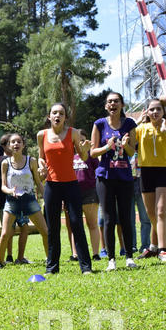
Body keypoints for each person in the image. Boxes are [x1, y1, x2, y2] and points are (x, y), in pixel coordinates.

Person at [37, 102, 92, 275]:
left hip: (71, 185)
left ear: (65, 117)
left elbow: (83, 157)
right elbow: (41, 157)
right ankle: (52, 268)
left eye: (61, 113)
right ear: (49, 116)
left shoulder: (73, 133)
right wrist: (41, 167)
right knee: (52, 227)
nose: (57, 116)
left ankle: (86, 267)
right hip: (52, 186)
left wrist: (85, 150)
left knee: (76, 224)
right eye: (54, 113)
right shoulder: (42, 135)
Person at [90, 92, 138, 272]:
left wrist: (125, 145)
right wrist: (107, 146)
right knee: (109, 218)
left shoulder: (129, 124)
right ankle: (111, 259)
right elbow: (93, 153)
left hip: (124, 177)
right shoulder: (99, 124)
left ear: (122, 105)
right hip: (105, 178)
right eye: (109, 102)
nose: (113, 104)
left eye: (116, 101)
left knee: (126, 217)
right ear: (105, 106)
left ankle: (129, 257)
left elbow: (132, 152)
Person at [0, 133, 48, 267]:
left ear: (23, 145)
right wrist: (9, 191)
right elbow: (3, 186)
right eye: (13, 142)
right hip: (12, 201)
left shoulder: (32, 161)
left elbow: (38, 182)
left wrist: (47, 198)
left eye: (19, 142)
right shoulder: (5, 163)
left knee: (45, 231)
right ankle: (1, 262)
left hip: (29, 200)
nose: (16, 144)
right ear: (8, 146)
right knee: (6, 233)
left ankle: (50, 260)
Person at [133, 98, 166, 262]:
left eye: (158, 109)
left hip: (163, 171)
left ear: (163, 111)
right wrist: (138, 120)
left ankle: (162, 250)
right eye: (152, 109)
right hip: (145, 171)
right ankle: (153, 247)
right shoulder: (141, 128)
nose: (155, 112)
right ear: (147, 112)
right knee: (151, 213)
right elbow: (127, 136)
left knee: (160, 211)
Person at [65, 128, 101, 262]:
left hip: (90, 193)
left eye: (83, 140)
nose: (80, 143)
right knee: (75, 225)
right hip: (72, 193)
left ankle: (96, 253)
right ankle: (75, 254)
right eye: (77, 141)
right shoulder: (69, 156)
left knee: (92, 224)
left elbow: (98, 172)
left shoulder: (92, 156)